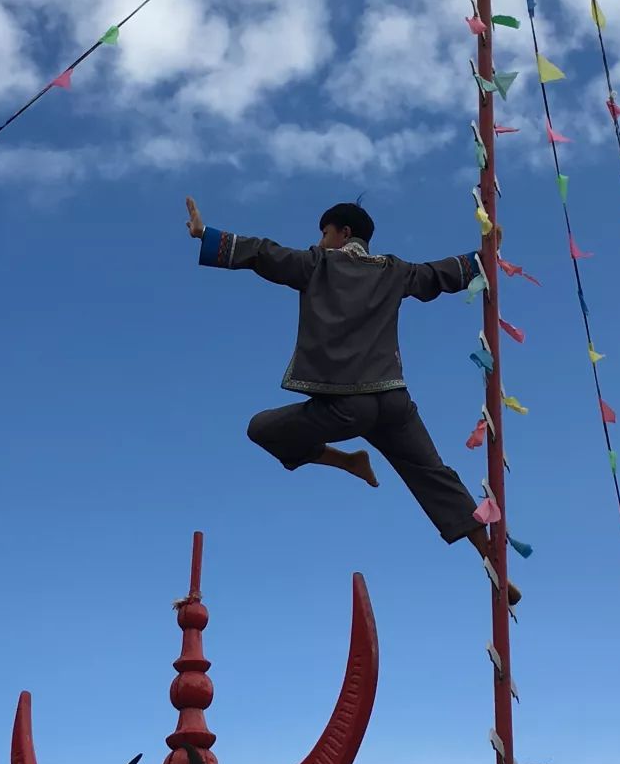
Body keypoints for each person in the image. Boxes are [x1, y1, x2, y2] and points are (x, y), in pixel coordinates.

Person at [185, 195, 520, 603]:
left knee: (262, 429)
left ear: (343, 234)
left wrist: (206, 234)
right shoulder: (393, 269)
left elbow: (263, 254)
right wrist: (484, 255)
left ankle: (346, 461)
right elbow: (438, 275)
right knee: (435, 476)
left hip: (346, 404)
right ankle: (490, 557)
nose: (320, 241)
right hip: (393, 401)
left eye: (324, 233)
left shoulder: (318, 264)